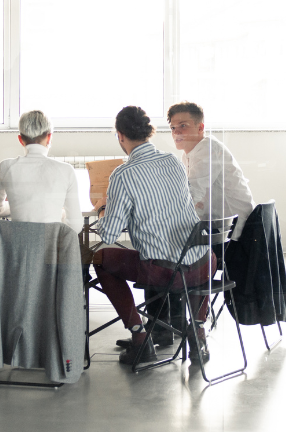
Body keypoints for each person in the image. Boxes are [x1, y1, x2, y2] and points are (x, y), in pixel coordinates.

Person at [93, 106, 216, 364]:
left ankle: (140, 337)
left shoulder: (123, 175)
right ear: (150, 132)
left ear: (120, 136)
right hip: (204, 264)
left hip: (166, 272)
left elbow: (110, 232)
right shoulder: (173, 161)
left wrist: (104, 208)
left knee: (102, 260)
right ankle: (198, 332)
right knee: (169, 253)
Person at [167, 101, 254, 240]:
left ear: (200, 127)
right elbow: (196, 199)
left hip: (234, 235)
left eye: (183, 125)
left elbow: (193, 193)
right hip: (218, 227)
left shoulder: (208, 149)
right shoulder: (188, 154)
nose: (176, 132)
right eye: (172, 127)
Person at [0, 110, 82, 233]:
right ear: (49, 138)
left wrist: (21, 206)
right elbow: (76, 226)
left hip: (17, 249)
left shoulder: (5, 167)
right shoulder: (66, 170)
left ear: (20, 139)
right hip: (52, 249)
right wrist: (57, 212)